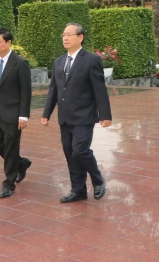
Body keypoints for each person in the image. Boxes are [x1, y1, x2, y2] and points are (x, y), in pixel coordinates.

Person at [42, 22, 111, 203]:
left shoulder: (91, 60)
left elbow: (99, 89)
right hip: (65, 117)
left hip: (84, 116)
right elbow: (54, 90)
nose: (65, 38)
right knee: (69, 153)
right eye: (63, 34)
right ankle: (78, 190)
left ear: (80, 37)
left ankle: (97, 180)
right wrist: (46, 113)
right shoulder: (58, 62)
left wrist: (105, 114)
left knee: (80, 151)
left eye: (69, 34)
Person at [0, 27, 32, 198]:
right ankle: (21, 163)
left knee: (11, 147)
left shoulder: (20, 63)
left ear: (9, 42)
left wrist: (23, 115)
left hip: (13, 113)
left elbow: (26, 91)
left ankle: (9, 183)